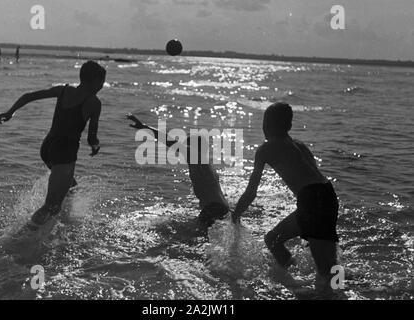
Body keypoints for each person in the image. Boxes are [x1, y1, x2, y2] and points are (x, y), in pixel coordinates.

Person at [232, 102, 339, 293]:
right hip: (326, 195)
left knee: (326, 271)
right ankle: (295, 281)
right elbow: (313, 177)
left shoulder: (265, 149)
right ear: (288, 126)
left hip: (312, 200)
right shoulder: (300, 146)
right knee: (273, 240)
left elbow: (251, 192)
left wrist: (236, 214)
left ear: (266, 126)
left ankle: (334, 293)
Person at [0, 60, 106, 229]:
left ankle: (60, 225)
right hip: (65, 152)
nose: (102, 86)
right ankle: (23, 236)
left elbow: (28, 96)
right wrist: (95, 146)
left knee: (72, 187)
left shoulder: (62, 90)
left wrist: (10, 112)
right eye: (102, 82)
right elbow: (92, 137)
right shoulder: (94, 103)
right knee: (51, 206)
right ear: (96, 81)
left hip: (48, 148)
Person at [128, 114, 229, 227]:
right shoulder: (205, 164)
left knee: (195, 237)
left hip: (213, 208)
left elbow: (169, 141)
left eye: (186, 146)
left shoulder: (194, 155)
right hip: (220, 207)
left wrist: (145, 128)